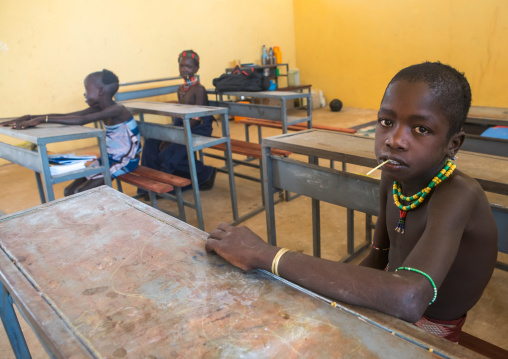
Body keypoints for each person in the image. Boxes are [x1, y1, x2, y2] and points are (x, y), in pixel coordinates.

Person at [206, 62, 498, 342]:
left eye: (420, 129)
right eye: (386, 122)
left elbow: (409, 298)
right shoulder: (393, 179)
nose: (394, 140)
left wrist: (266, 255)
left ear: (453, 144)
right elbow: (378, 257)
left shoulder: (459, 195)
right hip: (391, 296)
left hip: (430, 329)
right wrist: (332, 308)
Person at [8, 69, 141, 195]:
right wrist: (33, 117)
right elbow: (68, 115)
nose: (84, 93)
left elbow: (81, 119)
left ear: (100, 90)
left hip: (125, 161)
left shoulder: (117, 109)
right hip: (109, 158)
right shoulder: (100, 108)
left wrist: (42, 119)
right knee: (69, 191)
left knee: (81, 193)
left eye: (87, 89)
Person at [140, 50, 217, 192]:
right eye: (181, 66)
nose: (184, 69)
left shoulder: (199, 89)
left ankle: (204, 173)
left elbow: (196, 119)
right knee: (151, 145)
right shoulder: (180, 89)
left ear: (196, 69)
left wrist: (172, 136)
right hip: (182, 126)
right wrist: (170, 134)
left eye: (188, 67)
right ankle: (149, 186)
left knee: (167, 154)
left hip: (198, 129)